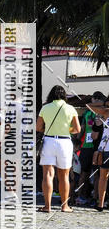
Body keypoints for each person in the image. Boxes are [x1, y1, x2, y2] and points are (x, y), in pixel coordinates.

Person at [36, 85, 80, 213]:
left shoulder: (45, 107)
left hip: (49, 141)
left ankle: (47, 206)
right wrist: (66, 129)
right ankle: (64, 206)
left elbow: (38, 127)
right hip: (65, 142)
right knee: (64, 176)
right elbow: (77, 129)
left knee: (48, 175)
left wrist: (49, 129)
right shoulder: (70, 108)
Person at [75, 92, 105, 205]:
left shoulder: (87, 112)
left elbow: (82, 129)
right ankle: (96, 198)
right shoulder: (101, 113)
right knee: (98, 174)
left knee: (84, 173)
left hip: (86, 147)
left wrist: (77, 142)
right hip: (97, 146)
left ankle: (80, 196)